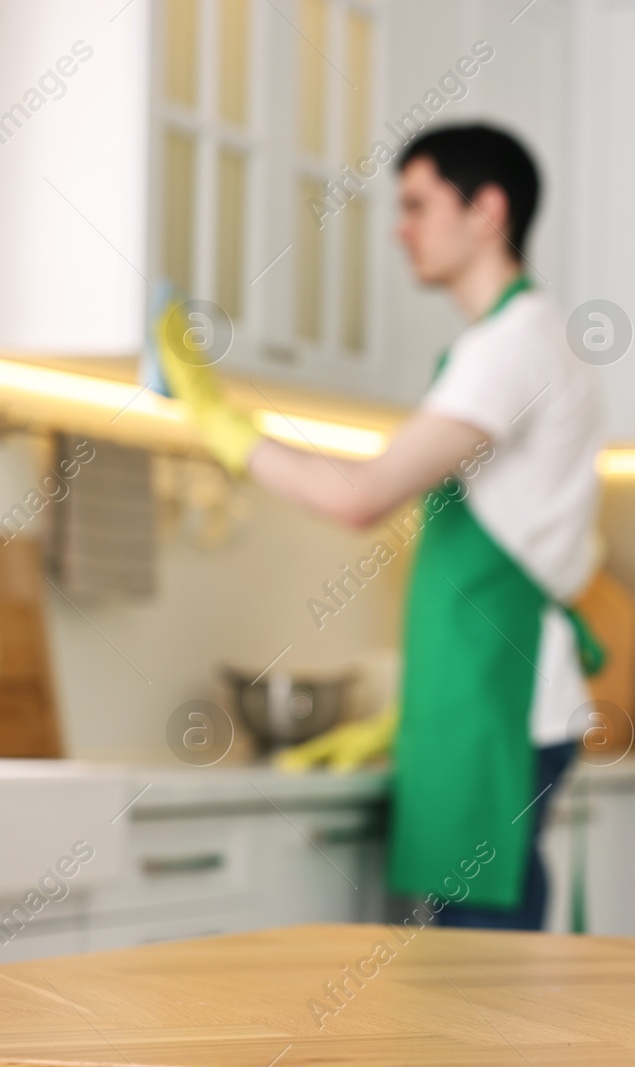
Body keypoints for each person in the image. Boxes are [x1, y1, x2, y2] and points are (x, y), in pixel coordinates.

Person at [157, 124, 604, 930]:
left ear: (487, 209)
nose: (400, 228)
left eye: (417, 205)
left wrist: (217, 424)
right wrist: (415, 710)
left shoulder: (511, 346)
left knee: (483, 976)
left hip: (498, 703)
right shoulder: (509, 340)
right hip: (480, 695)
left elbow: (362, 495)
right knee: (478, 968)